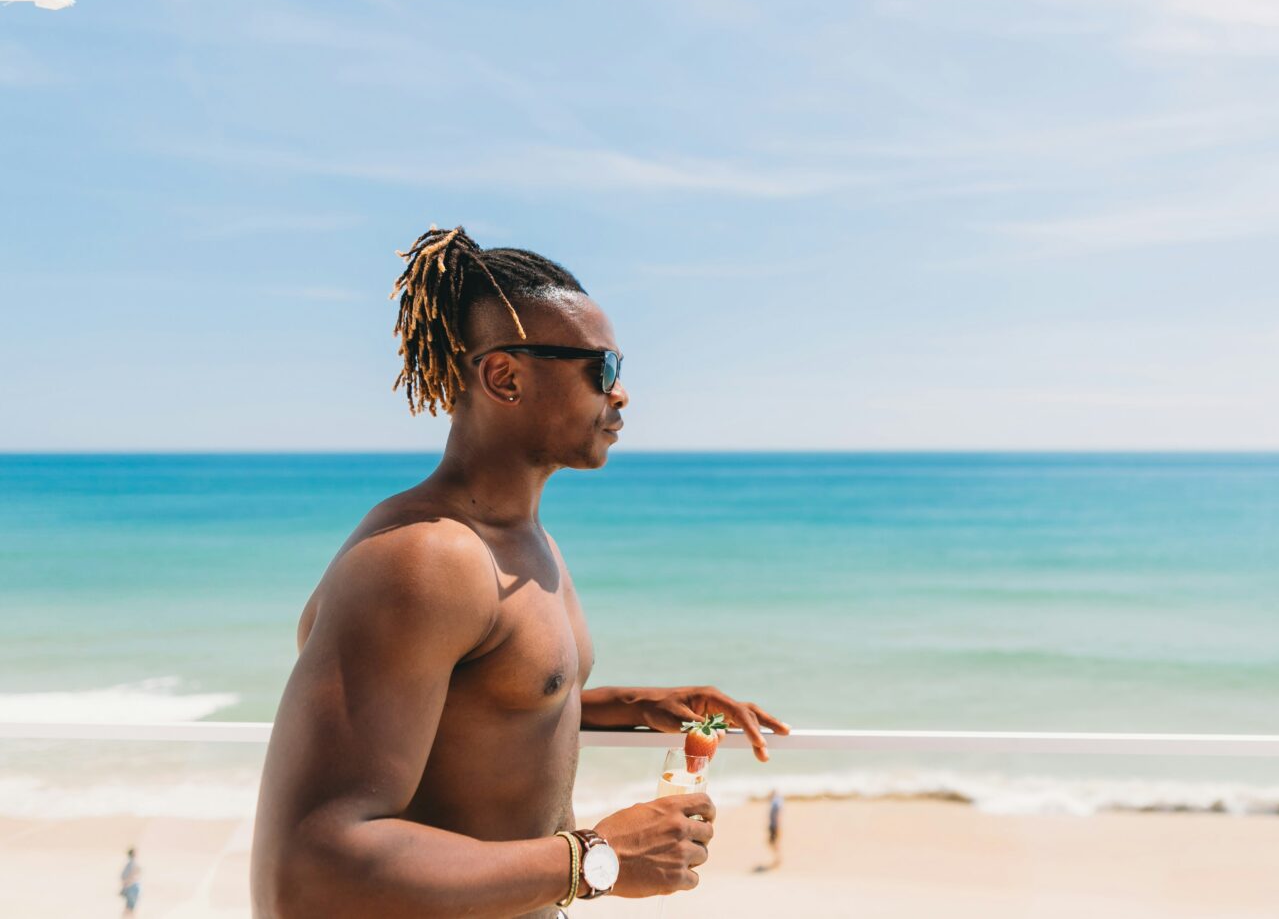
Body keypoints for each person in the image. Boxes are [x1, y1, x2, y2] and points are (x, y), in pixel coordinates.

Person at [251, 227, 791, 919]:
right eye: (600, 368)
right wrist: (596, 857)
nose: (621, 394)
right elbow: (310, 867)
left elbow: (465, 706)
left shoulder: (526, 543)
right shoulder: (424, 559)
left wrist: (616, 705)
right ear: (505, 376)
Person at [119, 846, 141, 916]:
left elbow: (123, 876)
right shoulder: (132, 864)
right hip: (132, 886)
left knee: (130, 907)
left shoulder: (131, 864)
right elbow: (124, 876)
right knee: (130, 907)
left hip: (132, 886)